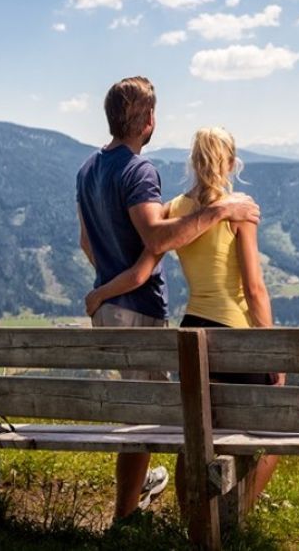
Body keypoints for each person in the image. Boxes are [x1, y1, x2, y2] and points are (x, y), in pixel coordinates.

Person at [85, 126, 299, 513]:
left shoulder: (175, 210)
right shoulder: (240, 211)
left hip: (193, 330)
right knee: (288, 424)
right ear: (231, 163)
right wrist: (271, 355)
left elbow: (140, 270)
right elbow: (254, 288)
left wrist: (100, 293)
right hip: (237, 338)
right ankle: (236, 515)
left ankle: (192, 514)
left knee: (199, 427)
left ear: (194, 162)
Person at [76, 77, 261, 522]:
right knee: (158, 417)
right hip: (134, 309)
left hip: (110, 307)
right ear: (149, 120)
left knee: (151, 413)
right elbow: (157, 238)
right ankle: (131, 515)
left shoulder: (87, 170)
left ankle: (137, 500)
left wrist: (104, 286)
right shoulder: (139, 171)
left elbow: (86, 242)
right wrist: (220, 210)